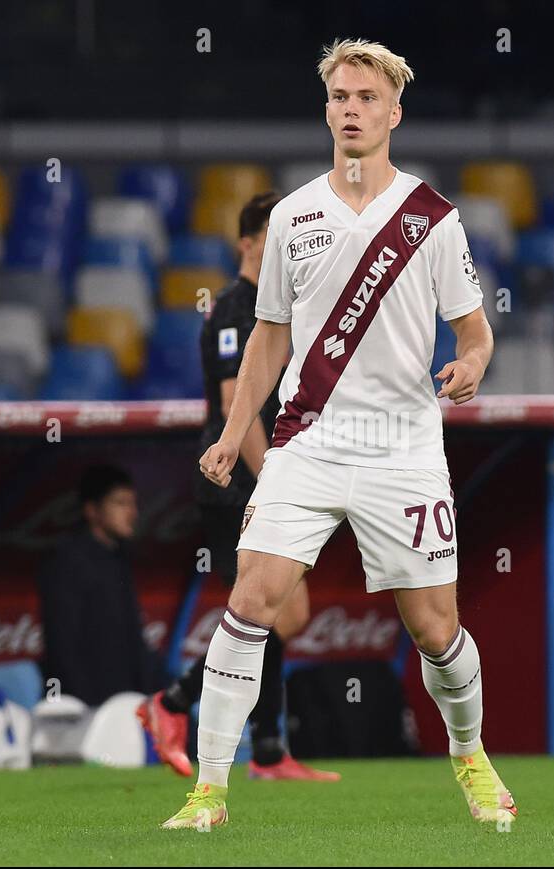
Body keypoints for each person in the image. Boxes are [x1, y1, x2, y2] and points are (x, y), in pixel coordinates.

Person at [162, 38, 511, 829]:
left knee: (435, 626)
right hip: (309, 438)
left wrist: (472, 365)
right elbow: (268, 339)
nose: (351, 109)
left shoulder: (432, 218)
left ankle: (470, 756)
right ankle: (208, 792)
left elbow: (474, 332)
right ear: (328, 110)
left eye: (365, 98)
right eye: (340, 97)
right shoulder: (293, 215)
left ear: (393, 112)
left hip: (404, 445)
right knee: (250, 600)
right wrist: (231, 432)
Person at [138, 192, 338, 782]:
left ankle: (268, 751)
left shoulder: (280, 307)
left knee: (273, 611)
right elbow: (235, 405)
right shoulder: (234, 306)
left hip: (265, 476)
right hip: (236, 483)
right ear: (248, 244)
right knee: (274, 610)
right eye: (275, 237)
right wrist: (269, 479)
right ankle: (173, 702)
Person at [38, 464, 164, 706]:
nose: (132, 513)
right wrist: (87, 708)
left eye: (132, 503)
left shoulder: (119, 557)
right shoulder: (67, 560)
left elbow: (133, 639)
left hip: (127, 702)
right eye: (120, 503)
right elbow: (62, 645)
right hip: (87, 706)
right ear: (92, 510)